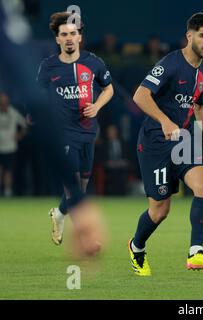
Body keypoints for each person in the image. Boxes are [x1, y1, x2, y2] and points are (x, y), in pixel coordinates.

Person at [129, 12, 203, 276]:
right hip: (155, 144)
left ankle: (196, 253)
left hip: (181, 142)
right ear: (189, 36)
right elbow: (140, 95)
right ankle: (136, 247)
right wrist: (164, 121)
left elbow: (201, 105)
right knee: (160, 210)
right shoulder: (170, 63)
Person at [37, 12, 114, 246]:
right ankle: (85, 238)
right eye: (64, 35)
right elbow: (36, 96)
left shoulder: (94, 63)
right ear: (57, 39)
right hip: (63, 134)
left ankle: (59, 214)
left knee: (81, 185)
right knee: (73, 187)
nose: (69, 38)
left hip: (88, 132)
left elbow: (109, 89)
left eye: (73, 34)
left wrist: (97, 106)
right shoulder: (48, 67)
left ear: (80, 37)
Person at [0, 93, 27, 196]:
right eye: (2, 101)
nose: (3, 103)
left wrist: (19, 135)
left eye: (5, 101)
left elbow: (25, 124)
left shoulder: (13, 112)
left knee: (8, 170)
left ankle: (7, 192)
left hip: (10, 147)